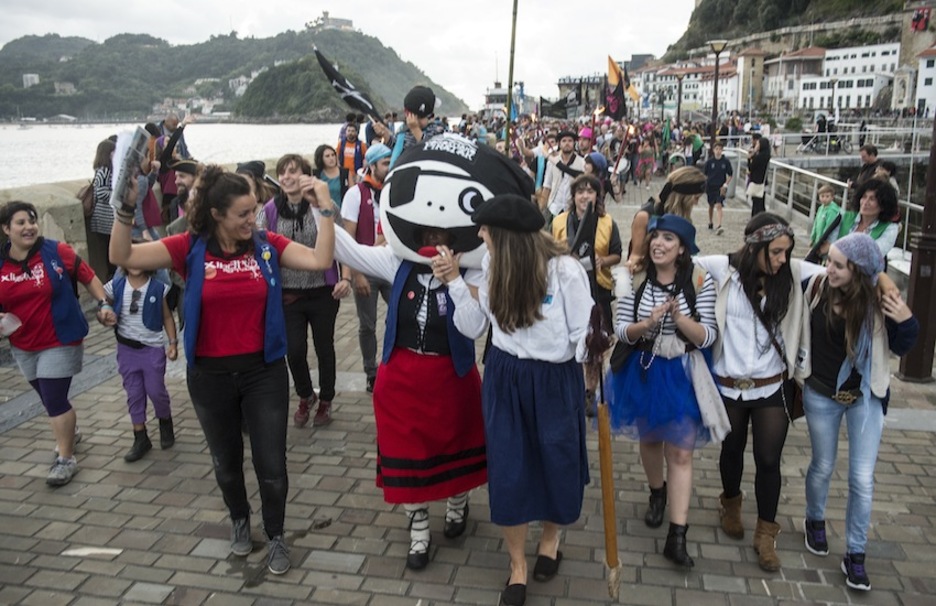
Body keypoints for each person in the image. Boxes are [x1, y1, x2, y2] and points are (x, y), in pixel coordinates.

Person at [108, 164, 338, 576]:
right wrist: (125, 209)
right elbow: (121, 255)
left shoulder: (267, 245)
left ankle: (276, 534)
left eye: (255, 210)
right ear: (216, 214)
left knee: (272, 466)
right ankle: (238, 517)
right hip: (210, 377)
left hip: (263, 373)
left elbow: (321, 259)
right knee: (226, 463)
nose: (254, 219)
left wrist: (325, 210)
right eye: (244, 214)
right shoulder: (188, 247)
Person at [439, 194, 592, 606]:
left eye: (485, 232)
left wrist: (594, 356)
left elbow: (583, 335)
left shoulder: (565, 271)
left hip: (555, 380)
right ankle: (517, 566)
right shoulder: (493, 267)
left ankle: (551, 538)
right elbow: (473, 327)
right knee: (510, 469)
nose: (480, 237)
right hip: (506, 376)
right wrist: (454, 282)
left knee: (556, 462)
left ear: (505, 237)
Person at [694, 213, 823, 572]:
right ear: (755, 246)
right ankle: (731, 502)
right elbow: (676, 260)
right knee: (731, 448)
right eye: (777, 251)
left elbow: (840, 272)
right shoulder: (722, 269)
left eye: (787, 251)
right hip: (730, 382)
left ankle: (766, 532)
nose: (784, 259)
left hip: (771, 384)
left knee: (769, 459)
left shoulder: (793, 274)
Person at [800, 233, 918, 592]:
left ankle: (855, 553)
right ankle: (815, 520)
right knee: (823, 464)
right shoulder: (818, 284)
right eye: (829, 261)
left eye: (838, 265)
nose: (829, 268)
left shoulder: (881, 302)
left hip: (866, 395)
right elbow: (786, 265)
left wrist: (907, 319)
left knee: (862, 479)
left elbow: (902, 344)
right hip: (821, 393)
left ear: (858, 270)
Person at [607, 214, 723, 568]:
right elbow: (622, 331)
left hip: (684, 372)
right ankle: (657, 492)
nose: (658, 243)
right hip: (643, 370)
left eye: (668, 239)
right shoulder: (633, 277)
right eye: (655, 237)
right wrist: (648, 323)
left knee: (682, 453)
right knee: (650, 439)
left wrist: (678, 319)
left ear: (683, 248)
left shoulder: (700, 279)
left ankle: (677, 534)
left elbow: (709, 335)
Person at [1, 201, 109, 486]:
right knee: (48, 396)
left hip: (61, 338)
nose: (29, 227)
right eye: (20, 222)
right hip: (23, 343)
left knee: (54, 398)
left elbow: (88, 276)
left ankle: (66, 458)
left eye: (32, 221)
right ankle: (69, 432)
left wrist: (103, 303)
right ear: (6, 229)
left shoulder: (55, 251)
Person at [264, 154, 348, 428]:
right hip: (289, 294)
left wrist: (345, 277)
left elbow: (344, 243)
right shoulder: (268, 210)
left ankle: (326, 400)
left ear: (306, 175)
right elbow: (258, 247)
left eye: (293, 171)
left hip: (323, 291)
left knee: (325, 347)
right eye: (282, 172)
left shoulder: (326, 206)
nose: (287, 177)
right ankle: (305, 394)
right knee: (295, 350)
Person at [551, 174, 622, 416]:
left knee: (595, 345)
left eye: (590, 191)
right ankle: (568, 386)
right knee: (568, 338)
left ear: (597, 196)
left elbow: (617, 254)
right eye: (580, 192)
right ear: (573, 196)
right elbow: (549, 251)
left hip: (597, 288)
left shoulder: (607, 222)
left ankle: (590, 392)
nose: (584, 196)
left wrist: (604, 260)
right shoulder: (559, 221)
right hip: (565, 288)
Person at [101, 264, 178, 462]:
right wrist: (104, 313)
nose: (135, 264)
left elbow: (167, 316)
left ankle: (165, 420)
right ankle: (140, 435)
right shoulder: (115, 285)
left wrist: (172, 343)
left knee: (155, 390)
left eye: (140, 259)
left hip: (151, 349)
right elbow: (103, 306)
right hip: (126, 349)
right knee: (134, 392)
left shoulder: (158, 287)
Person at [341, 143, 393, 393]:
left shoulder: (395, 191)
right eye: (385, 163)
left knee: (401, 318)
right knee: (367, 324)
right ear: (372, 166)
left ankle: (393, 366)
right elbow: (348, 239)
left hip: (392, 266)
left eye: (391, 161)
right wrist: (356, 273)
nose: (390, 166)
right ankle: (371, 372)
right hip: (366, 268)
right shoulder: (355, 194)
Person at [626, 166, 705, 271]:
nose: (696, 203)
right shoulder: (645, 216)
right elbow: (635, 257)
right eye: (696, 198)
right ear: (683, 197)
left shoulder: (683, 216)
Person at [832, 179, 899, 257]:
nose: (865, 202)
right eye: (864, 197)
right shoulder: (843, 217)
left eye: (872, 199)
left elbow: (873, 254)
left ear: (883, 205)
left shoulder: (890, 228)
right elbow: (828, 245)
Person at [540, 130, 585, 223]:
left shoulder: (582, 162)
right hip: (554, 208)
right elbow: (547, 186)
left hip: (573, 208)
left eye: (570, 141)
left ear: (574, 143)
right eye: (564, 141)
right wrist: (542, 208)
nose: (567, 143)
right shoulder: (552, 162)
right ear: (559, 144)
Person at [90, 138, 117, 278]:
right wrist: (117, 195)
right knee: (109, 250)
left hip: (108, 219)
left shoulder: (108, 170)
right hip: (104, 219)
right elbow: (101, 193)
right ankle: (112, 277)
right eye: (113, 152)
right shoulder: (104, 171)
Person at [703, 142, 733, 235]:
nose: (718, 151)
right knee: (711, 205)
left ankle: (719, 225)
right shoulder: (709, 162)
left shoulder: (725, 161)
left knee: (719, 205)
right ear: (713, 150)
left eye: (720, 149)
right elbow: (705, 174)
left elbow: (730, 174)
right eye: (716, 149)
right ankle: (710, 221)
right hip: (710, 186)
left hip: (720, 187)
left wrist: (726, 184)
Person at [808, 184, 842, 260]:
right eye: (822, 196)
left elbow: (829, 227)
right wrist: (812, 238)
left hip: (825, 241)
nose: (824, 199)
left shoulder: (832, 211)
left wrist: (822, 240)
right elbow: (816, 223)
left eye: (827, 196)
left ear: (832, 197)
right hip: (818, 238)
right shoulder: (821, 208)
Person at [747, 133, 771, 217]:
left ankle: (756, 218)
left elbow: (751, 167)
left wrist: (750, 156)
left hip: (756, 181)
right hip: (763, 182)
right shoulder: (767, 155)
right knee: (761, 202)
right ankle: (761, 217)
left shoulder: (758, 157)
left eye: (758, 144)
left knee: (756, 203)